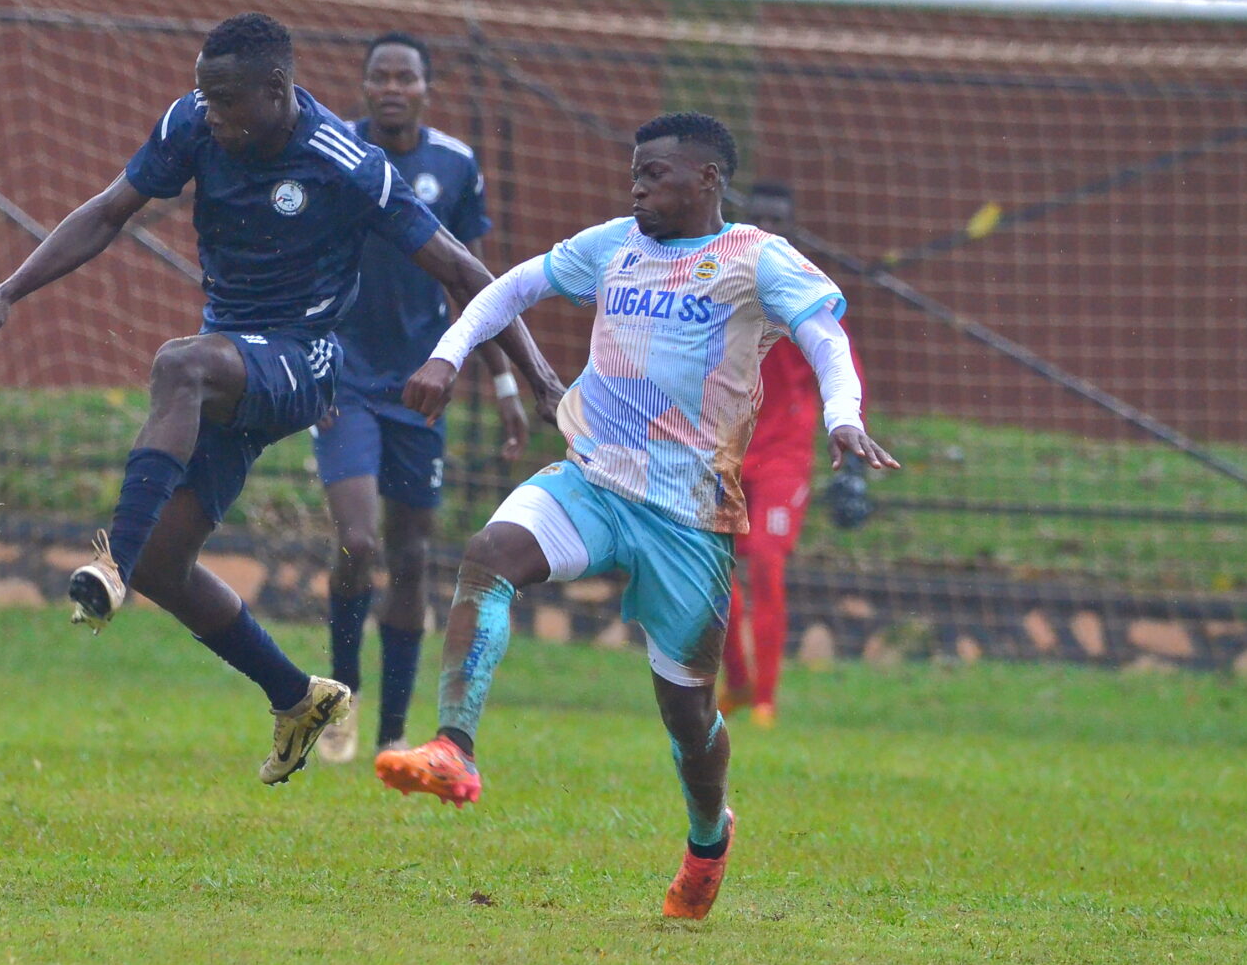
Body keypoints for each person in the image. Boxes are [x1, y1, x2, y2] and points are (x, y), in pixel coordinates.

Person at [0, 13, 562, 786]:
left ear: (277, 89)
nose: (213, 114)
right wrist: (5, 292)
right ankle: (297, 696)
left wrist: (537, 379)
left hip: (307, 361)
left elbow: (466, 271)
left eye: (228, 101)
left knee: (180, 366)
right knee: (168, 563)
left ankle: (112, 564)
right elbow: (106, 212)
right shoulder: (192, 122)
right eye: (205, 96)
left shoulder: (346, 163)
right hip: (235, 363)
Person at [373, 112, 897, 920]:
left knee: (687, 715)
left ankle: (708, 842)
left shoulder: (755, 258)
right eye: (634, 174)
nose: (638, 188)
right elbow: (509, 286)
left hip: (688, 516)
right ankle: (454, 747)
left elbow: (824, 336)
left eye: (655, 174)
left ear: (707, 179)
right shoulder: (613, 245)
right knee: (490, 552)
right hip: (593, 479)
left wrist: (843, 415)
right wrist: (448, 354)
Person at [312, 32, 529, 765]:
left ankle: (394, 733)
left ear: (427, 90)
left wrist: (503, 379)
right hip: (343, 377)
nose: (393, 88)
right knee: (359, 540)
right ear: (364, 85)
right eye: (381, 76)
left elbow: (471, 280)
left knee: (411, 556)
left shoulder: (455, 165)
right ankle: (340, 694)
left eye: (406, 77)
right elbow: (300, 257)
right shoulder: (333, 151)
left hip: (422, 382)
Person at [717, 181, 859, 729]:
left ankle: (766, 699)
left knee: (767, 563)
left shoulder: (809, 295)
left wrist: (849, 445)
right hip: (727, 447)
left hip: (784, 454)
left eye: (780, 220)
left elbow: (838, 370)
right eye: (761, 218)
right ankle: (738, 682)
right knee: (715, 570)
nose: (769, 228)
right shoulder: (720, 281)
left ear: (792, 229)